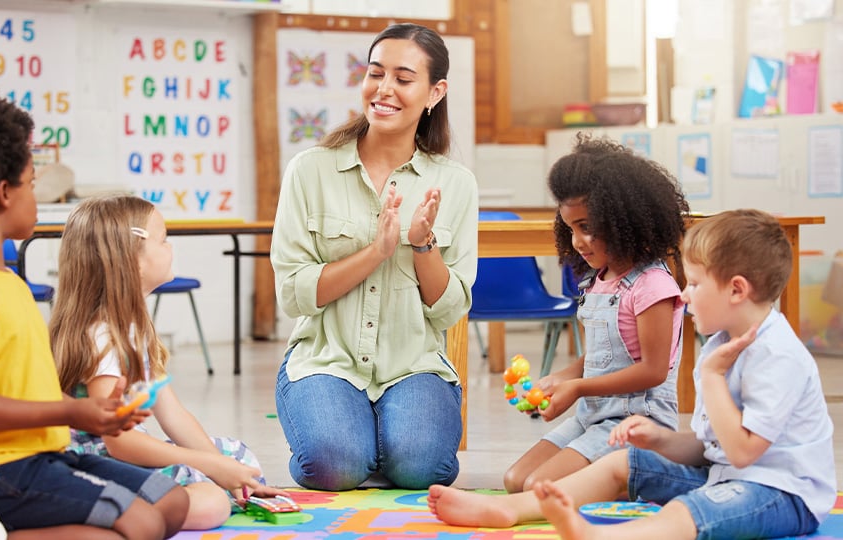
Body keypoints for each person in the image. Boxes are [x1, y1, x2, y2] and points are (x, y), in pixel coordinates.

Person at [428, 209, 837, 539]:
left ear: (736, 290)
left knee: (689, 511)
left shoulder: (775, 355)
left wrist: (710, 380)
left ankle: (605, 536)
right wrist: (660, 440)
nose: (684, 294)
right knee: (623, 463)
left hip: (782, 494)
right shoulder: (720, 344)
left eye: (694, 284)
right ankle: (508, 509)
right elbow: (713, 448)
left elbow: (745, 452)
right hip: (723, 476)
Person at [0, 96, 189, 538]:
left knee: (172, 501)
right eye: (31, 184)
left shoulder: (10, 282)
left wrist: (101, 411)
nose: (36, 197)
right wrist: (75, 412)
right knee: (142, 524)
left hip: (41, 453)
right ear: (4, 193)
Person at [270, 22, 478, 491]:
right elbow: (294, 294)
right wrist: (378, 251)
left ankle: (382, 439)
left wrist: (423, 246)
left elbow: (449, 309)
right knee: (333, 467)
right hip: (326, 360)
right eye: (375, 73)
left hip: (413, 364)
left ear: (434, 92)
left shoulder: (456, 183)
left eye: (403, 79)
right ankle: (351, 437)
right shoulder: (310, 170)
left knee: (422, 470)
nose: (384, 89)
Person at [51, 195, 289, 530]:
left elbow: (172, 413)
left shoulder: (133, 327)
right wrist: (208, 468)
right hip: (96, 463)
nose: (170, 248)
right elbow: (119, 442)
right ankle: (107, 516)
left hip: (127, 454)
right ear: (133, 261)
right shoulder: (103, 338)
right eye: (163, 240)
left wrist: (217, 465)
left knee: (237, 458)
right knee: (211, 504)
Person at [502, 134, 689, 493]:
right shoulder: (599, 280)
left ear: (623, 219)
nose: (577, 241)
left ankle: (644, 471)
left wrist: (578, 387)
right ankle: (608, 478)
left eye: (587, 227)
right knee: (516, 481)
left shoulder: (652, 285)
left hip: (637, 421)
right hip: (594, 415)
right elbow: (608, 355)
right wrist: (561, 378)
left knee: (539, 487)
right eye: (570, 228)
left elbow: (652, 370)